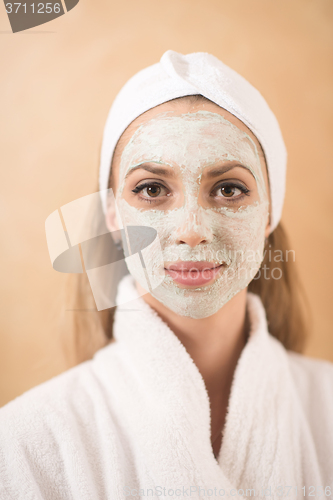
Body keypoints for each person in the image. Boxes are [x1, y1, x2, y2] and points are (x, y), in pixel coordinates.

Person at [0, 50, 332, 499]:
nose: (191, 231)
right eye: (152, 189)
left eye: (229, 188)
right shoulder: (24, 446)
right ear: (113, 214)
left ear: (271, 209)